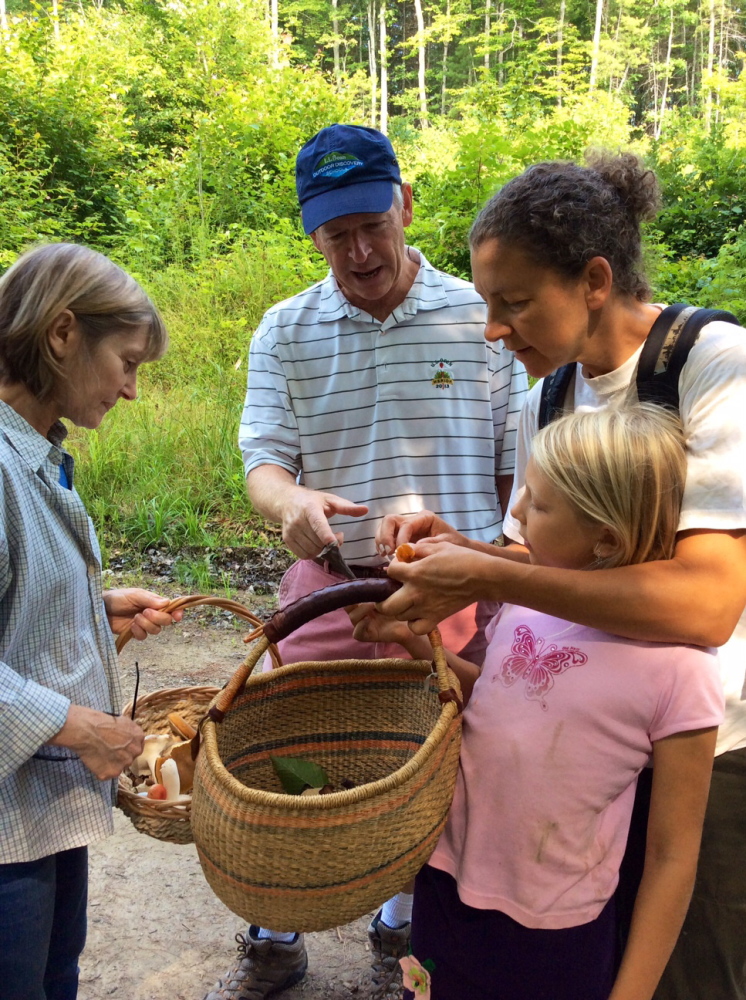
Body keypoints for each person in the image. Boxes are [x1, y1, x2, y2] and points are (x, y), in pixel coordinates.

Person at [377, 152, 746, 1000]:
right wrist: (457, 558)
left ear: (593, 279)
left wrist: (484, 574)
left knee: (691, 968)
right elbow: (536, 561)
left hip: (710, 742)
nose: (495, 332)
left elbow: (710, 604)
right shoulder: (552, 391)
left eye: (514, 304)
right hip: (582, 744)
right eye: (487, 307)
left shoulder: (711, 362)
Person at [202, 124, 528, 1000]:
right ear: (312, 235)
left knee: (434, 765)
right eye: (334, 233)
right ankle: (275, 932)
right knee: (290, 757)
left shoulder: (484, 316)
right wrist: (294, 506)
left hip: (454, 591)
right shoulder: (286, 330)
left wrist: (494, 571)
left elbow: (516, 471)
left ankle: (402, 925)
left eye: (370, 224)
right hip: (329, 594)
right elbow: (264, 463)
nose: (357, 249)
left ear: (406, 205)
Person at [350, 403, 724, 1000]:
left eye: (539, 503)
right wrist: (413, 643)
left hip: (554, 929)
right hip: (445, 884)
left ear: (606, 537)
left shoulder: (680, 671)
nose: (515, 512)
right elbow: (497, 702)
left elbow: (673, 856)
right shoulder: (526, 603)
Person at [0, 242, 183, 1000]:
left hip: (42, 814)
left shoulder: (35, 453)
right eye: (128, 361)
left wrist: (87, 608)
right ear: (64, 333)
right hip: (7, 838)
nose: (133, 390)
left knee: (53, 978)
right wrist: (80, 726)